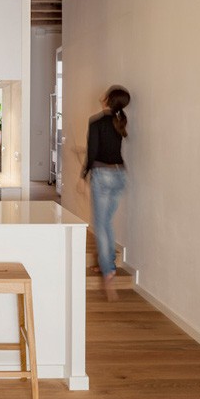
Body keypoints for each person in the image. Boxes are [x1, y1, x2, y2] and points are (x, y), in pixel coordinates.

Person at [82, 85, 131, 301]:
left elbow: (92, 152)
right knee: (107, 222)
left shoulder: (97, 122)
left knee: (100, 225)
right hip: (120, 175)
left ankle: (108, 270)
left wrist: (83, 174)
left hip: (102, 175)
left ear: (107, 99)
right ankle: (106, 262)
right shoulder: (120, 122)